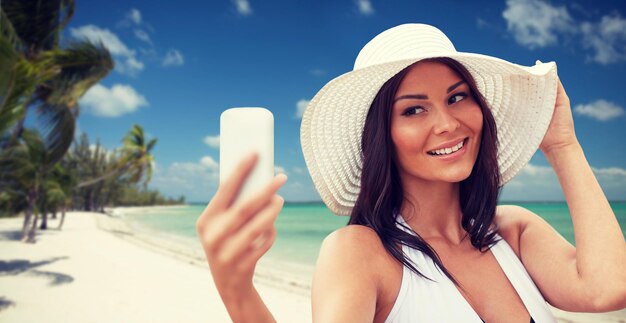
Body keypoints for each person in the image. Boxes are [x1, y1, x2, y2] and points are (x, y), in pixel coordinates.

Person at [196, 24, 626, 322]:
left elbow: (607, 289)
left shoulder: (511, 232)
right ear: (382, 135)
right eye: (414, 109)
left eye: (457, 98)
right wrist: (238, 292)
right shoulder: (361, 253)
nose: (446, 123)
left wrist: (562, 145)